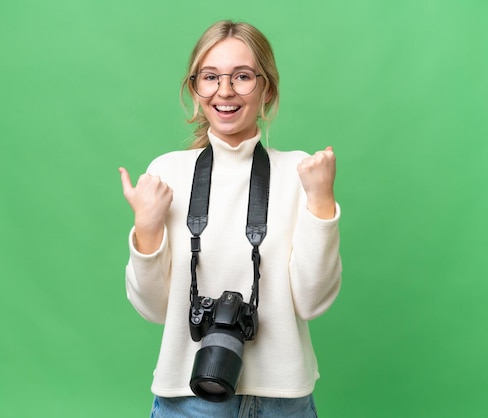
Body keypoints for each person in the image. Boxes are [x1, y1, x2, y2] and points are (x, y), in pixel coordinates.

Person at [119, 20, 342, 418]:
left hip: (283, 400)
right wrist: (147, 228)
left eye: (242, 76)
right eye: (210, 77)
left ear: (266, 88)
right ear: (195, 89)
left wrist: (321, 203)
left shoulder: (300, 172)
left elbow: (312, 302)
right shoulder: (166, 173)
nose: (225, 91)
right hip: (187, 399)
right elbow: (154, 310)